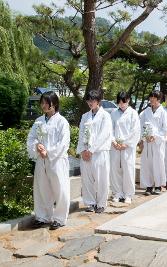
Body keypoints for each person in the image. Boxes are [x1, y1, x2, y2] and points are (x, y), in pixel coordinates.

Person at [27, 92, 70, 230]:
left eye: (46, 102)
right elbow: (31, 137)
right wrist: (36, 146)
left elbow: (64, 143)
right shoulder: (39, 121)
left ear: (54, 103)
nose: (43, 105)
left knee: (60, 188)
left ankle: (59, 218)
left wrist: (49, 152)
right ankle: (42, 216)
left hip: (56, 160)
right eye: (42, 102)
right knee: (41, 188)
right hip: (41, 159)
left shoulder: (62, 121)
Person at [77, 90, 112, 214]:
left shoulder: (105, 116)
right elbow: (81, 133)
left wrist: (91, 150)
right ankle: (90, 203)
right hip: (85, 152)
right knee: (87, 179)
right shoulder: (85, 116)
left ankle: (101, 203)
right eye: (88, 100)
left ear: (98, 101)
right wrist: (82, 150)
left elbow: (103, 135)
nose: (90, 103)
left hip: (99, 151)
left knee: (101, 178)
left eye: (93, 100)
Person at [110, 92, 141, 204]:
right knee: (115, 169)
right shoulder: (113, 113)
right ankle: (117, 193)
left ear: (128, 101)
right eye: (119, 102)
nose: (121, 104)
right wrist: (113, 141)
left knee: (128, 169)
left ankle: (128, 194)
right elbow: (110, 129)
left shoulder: (133, 113)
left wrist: (126, 143)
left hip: (127, 147)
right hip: (115, 146)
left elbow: (135, 131)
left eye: (124, 102)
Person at [139, 90, 167, 195]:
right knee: (147, 164)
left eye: (154, 97)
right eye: (150, 97)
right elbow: (140, 125)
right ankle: (148, 186)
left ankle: (158, 185)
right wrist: (144, 137)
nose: (151, 99)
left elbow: (165, 129)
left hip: (157, 142)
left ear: (158, 99)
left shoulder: (163, 112)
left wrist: (155, 136)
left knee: (158, 163)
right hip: (147, 141)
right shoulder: (145, 112)